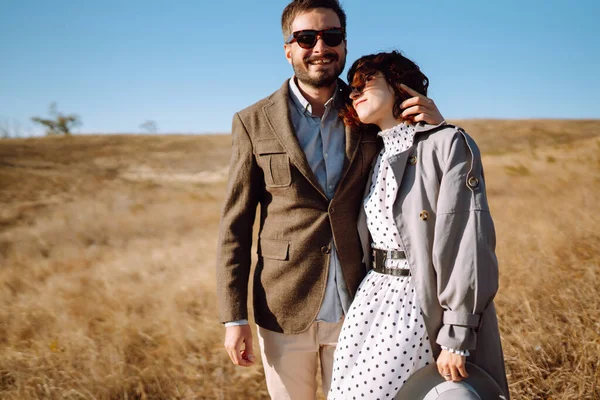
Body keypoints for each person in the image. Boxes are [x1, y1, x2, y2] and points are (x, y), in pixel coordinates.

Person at [215, 1, 445, 399]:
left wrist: (436, 127)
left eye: (331, 36)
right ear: (288, 48)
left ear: (344, 43)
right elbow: (235, 227)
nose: (320, 47)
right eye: (306, 37)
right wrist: (233, 317)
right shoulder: (252, 121)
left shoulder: (369, 108)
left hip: (362, 305)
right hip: (283, 306)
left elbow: (424, 169)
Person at [327, 51, 509, 399]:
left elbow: (467, 244)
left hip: (417, 303)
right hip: (371, 302)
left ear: (399, 85)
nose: (354, 92)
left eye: (365, 82)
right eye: (351, 88)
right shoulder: (375, 153)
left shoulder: (447, 144)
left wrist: (457, 334)